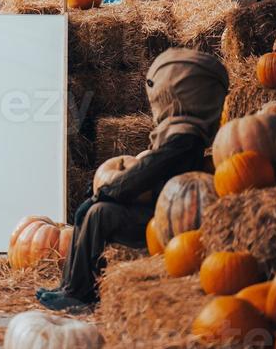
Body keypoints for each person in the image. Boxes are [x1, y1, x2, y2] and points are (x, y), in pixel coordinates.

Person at [37, 47, 229, 312]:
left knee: (99, 214)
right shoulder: (179, 133)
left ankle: (80, 294)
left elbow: (146, 172)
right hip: (161, 209)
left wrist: (109, 191)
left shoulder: (185, 138)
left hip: (165, 220)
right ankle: (69, 284)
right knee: (90, 211)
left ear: (177, 94)